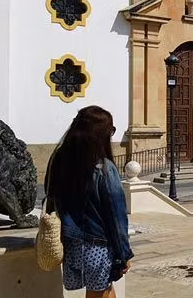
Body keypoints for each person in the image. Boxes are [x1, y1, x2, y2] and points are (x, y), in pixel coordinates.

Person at [46, 106, 133, 298]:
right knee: (98, 294)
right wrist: (124, 253)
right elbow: (116, 215)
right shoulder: (104, 168)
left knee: (106, 290)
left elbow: (50, 197)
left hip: (72, 245)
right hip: (97, 247)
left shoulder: (59, 160)